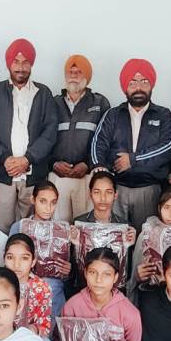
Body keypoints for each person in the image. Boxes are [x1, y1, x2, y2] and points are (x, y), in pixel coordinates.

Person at [90, 59, 171, 232]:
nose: (138, 87)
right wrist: (99, 167)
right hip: (117, 190)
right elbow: (98, 143)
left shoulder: (163, 114)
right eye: (133, 82)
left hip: (149, 189)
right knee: (114, 240)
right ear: (125, 87)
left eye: (144, 81)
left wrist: (133, 160)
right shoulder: (113, 114)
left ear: (151, 85)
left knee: (145, 241)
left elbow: (168, 146)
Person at [0, 38, 58, 233]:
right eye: (16, 61)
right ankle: (5, 264)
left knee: (32, 228)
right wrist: (5, 159)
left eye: (25, 62)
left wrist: (27, 159)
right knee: (3, 228)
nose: (20, 67)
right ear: (8, 63)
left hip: (33, 173)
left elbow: (50, 132)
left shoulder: (44, 93)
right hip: (3, 172)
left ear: (31, 64)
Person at [50, 54, 108, 221]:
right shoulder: (53, 103)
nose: (73, 75)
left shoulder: (99, 103)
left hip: (87, 177)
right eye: (70, 71)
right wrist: (53, 164)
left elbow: (105, 141)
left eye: (79, 71)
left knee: (84, 226)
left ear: (87, 77)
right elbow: (43, 138)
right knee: (59, 227)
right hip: (58, 177)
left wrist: (88, 164)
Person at [10, 181, 72, 320]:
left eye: (53, 202)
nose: (48, 208)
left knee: (51, 287)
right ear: (33, 200)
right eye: (43, 201)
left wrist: (68, 271)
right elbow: (9, 261)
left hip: (53, 287)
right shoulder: (19, 227)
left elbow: (68, 276)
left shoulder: (63, 230)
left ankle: (47, 337)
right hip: (23, 283)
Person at [4, 234, 53, 337]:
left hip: (28, 338)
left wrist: (31, 330)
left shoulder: (41, 288)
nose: (16, 264)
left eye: (24, 258)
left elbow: (44, 327)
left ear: (33, 261)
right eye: (10, 257)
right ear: (3, 258)